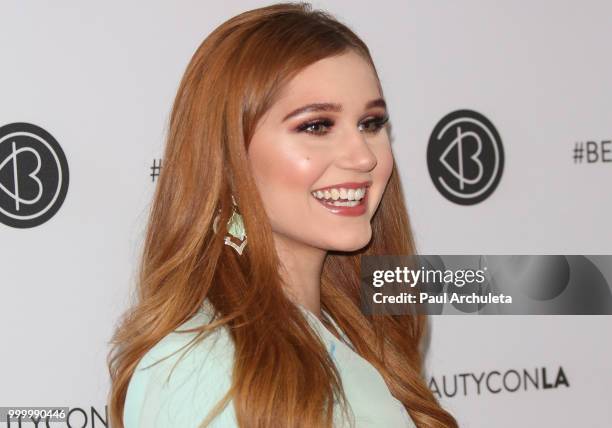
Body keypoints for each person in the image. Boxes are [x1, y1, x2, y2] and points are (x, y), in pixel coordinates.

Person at [107, 2, 458, 427]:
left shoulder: (356, 332)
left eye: (370, 123)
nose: (363, 156)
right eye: (316, 126)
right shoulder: (198, 367)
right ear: (228, 158)